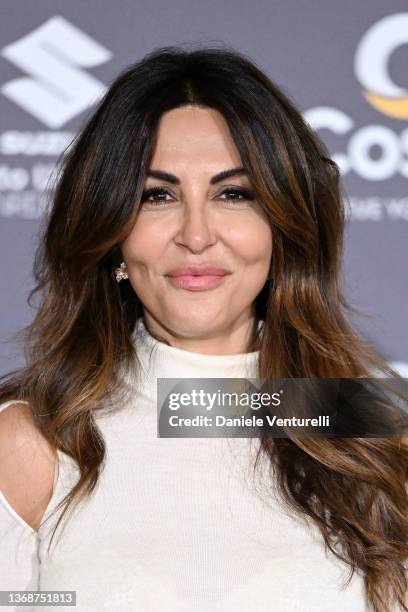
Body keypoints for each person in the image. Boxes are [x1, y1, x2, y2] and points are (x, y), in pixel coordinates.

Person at [0, 45, 407, 612]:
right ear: (112, 231)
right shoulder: (34, 442)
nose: (196, 234)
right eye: (157, 196)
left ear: (282, 229)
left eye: (233, 194)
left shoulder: (370, 431)